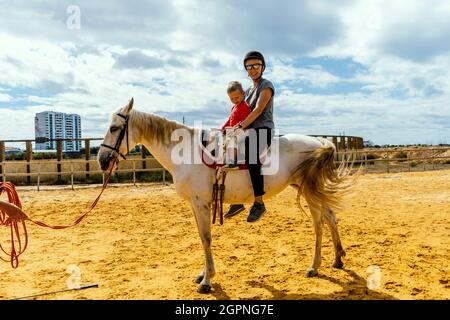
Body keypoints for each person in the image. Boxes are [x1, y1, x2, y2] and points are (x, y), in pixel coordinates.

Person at [224, 51, 275, 223]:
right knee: (229, 154)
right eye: (249, 66)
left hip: (263, 129)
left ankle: (259, 203)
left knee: (252, 156)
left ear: (262, 67)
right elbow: (237, 110)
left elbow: (258, 110)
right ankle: (237, 201)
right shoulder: (247, 91)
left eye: (256, 65)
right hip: (248, 130)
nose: (253, 69)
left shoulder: (266, 86)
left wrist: (239, 127)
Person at [221, 81, 251, 169]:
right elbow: (229, 120)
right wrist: (223, 128)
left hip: (243, 130)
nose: (235, 100)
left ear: (243, 93)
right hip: (234, 130)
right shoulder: (234, 107)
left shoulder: (244, 106)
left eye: (237, 97)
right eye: (232, 99)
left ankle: (233, 161)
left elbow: (245, 120)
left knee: (232, 139)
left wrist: (234, 128)